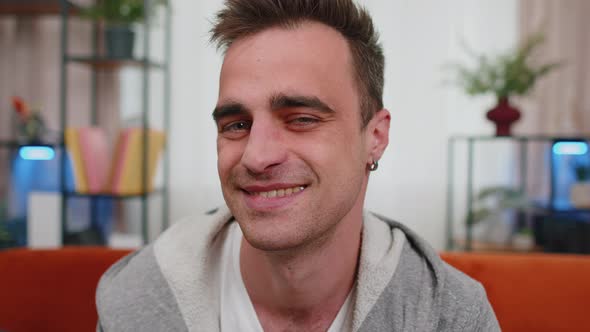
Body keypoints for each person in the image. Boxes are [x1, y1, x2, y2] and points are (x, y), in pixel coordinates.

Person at [96, 0, 500, 331]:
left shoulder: (449, 316)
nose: (257, 156)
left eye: (302, 118)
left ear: (374, 137)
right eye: (236, 125)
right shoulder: (137, 301)